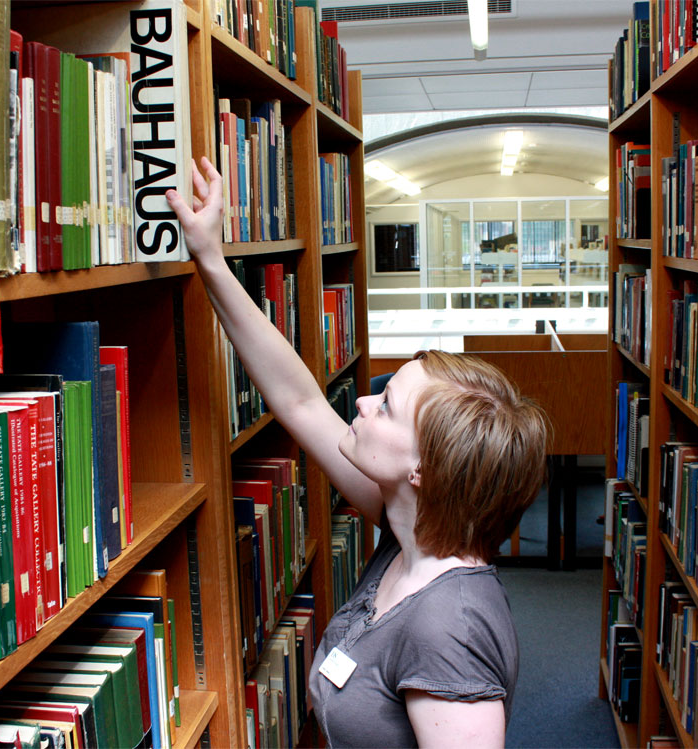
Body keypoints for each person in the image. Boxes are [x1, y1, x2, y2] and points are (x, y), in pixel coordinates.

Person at [166, 158, 549, 747]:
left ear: (425, 470)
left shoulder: (450, 629)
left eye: (388, 404)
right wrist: (210, 259)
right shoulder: (411, 531)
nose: (365, 404)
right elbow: (299, 401)